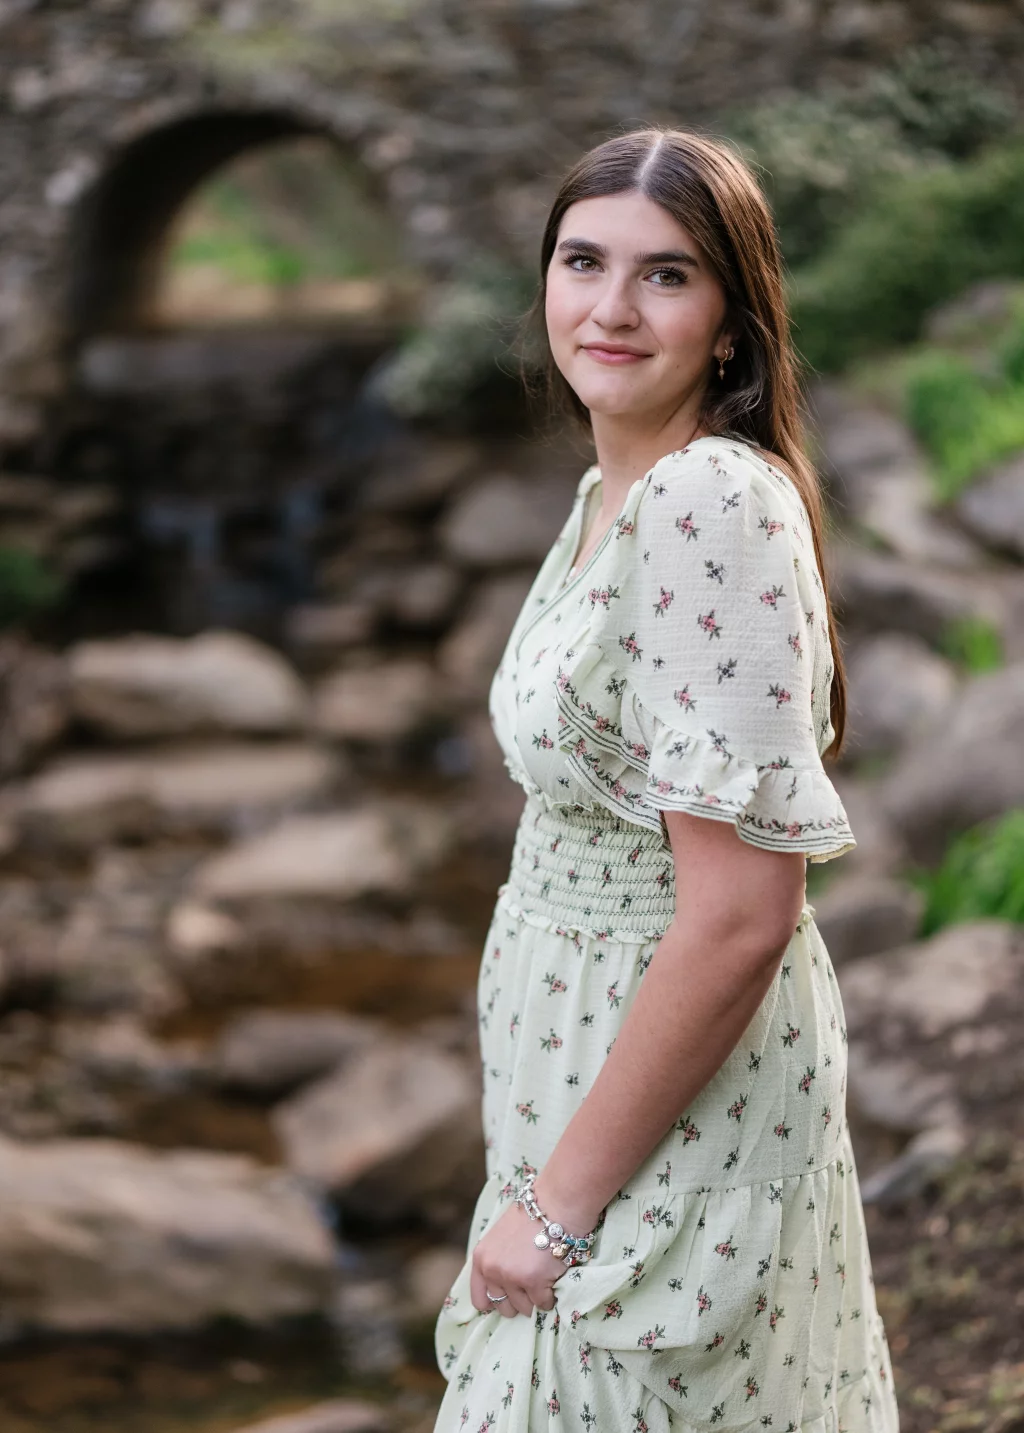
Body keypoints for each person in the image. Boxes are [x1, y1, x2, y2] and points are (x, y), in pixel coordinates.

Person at [433, 127, 900, 1433]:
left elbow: (743, 910)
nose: (612, 306)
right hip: (576, 1071)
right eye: (583, 261)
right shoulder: (610, 494)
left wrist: (559, 1206)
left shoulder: (708, 505)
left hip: (664, 1104)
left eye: (667, 275)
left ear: (732, 326)